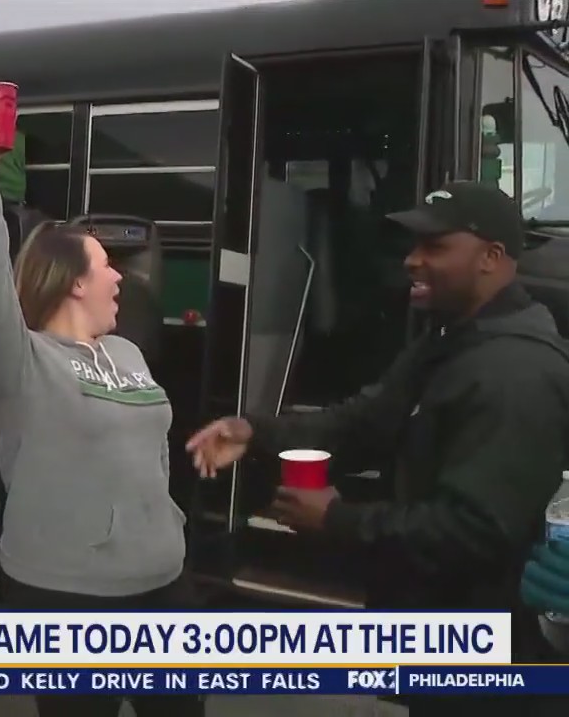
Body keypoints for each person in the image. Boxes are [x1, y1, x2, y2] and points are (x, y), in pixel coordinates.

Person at [187, 181, 569, 716]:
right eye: (412, 246)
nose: (412, 261)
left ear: (492, 258)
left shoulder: (513, 373)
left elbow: (473, 530)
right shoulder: (449, 340)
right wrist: (256, 433)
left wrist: (339, 519)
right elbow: (364, 423)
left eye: (435, 247)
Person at [0, 104, 202, 717]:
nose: (122, 277)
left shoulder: (128, 353)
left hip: (164, 586)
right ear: (72, 281)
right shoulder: (23, 361)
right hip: (68, 594)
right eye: (106, 266)